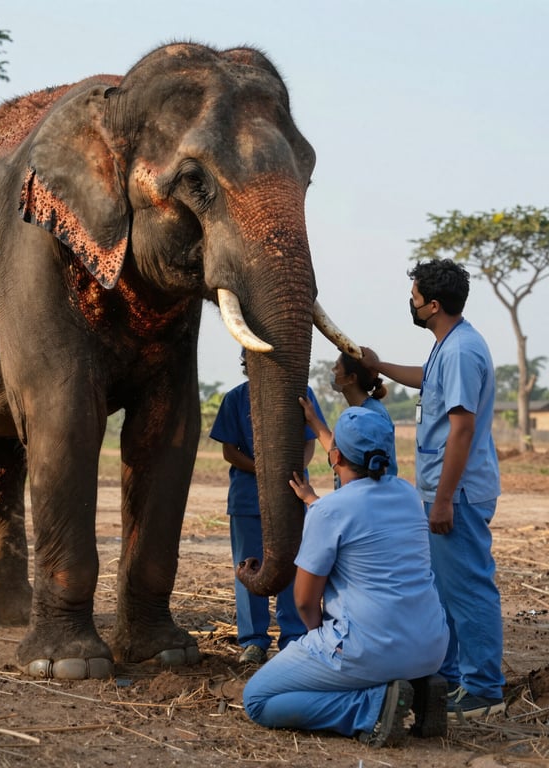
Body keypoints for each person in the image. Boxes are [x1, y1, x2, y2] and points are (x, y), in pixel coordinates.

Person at [242, 407, 449, 747]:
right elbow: (362, 517)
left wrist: (319, 643)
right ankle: (421, 689)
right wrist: (313, 502)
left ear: (334, 455)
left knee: (258, 700)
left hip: (368, 649)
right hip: (429, 646)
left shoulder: (331, 511)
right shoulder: (410, 496)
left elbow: (306, 602)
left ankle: (369, 706)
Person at [360, 258, 505, 720]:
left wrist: (442, 500)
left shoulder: (461, 351)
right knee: (447, 590)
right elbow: (428, 380)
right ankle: (459, 679)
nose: (412, 304)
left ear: (434, 305)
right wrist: (378, 364)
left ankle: (484, 687)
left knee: (468, 590)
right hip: (446, 490)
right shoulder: (449, 345)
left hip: (456, 494)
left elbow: (461, 428)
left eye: (416, 298)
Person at [210, 349, 327, 664]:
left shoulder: (300, 395)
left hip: (291, 493)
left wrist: (291, 476)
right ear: (247, 366)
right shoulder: (235, 399)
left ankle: (293, 637)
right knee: (249, 566)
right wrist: (264, 474)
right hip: (248, 496)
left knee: (294, 562)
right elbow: (229, 452)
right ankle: (254, 641)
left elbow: (309, 442)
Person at [300, 352, 398, 478]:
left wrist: (313, 420)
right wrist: (312, 420)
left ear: (351, 378)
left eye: (337, 367)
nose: (333, 371)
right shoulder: (359, 411)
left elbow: (349, 458)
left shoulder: (370, 415)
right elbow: (341, 452)